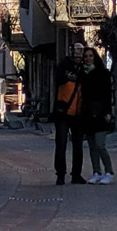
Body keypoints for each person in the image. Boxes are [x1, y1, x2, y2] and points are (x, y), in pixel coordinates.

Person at [77, 44, 115, 184]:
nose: (88, 58)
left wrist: (108, 112)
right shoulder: (81, 74)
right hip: (86, 114)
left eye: (90, 56)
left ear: (95, 57)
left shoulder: (102, 73)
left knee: (100, 144)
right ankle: (96, 172)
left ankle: (109, 171)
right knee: (92, 146)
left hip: (100, 113)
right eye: (86, 56)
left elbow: (107, 94)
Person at [51, 51, 85, 185]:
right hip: (63, 113)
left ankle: (76, 175)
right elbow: (59, 79)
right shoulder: (63, 70)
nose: (78, 56)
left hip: (78, 113)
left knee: (78, 146)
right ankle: (60, 175)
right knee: (61, 145)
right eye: (75, 53)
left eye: (80, 53)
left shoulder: (84, 71)